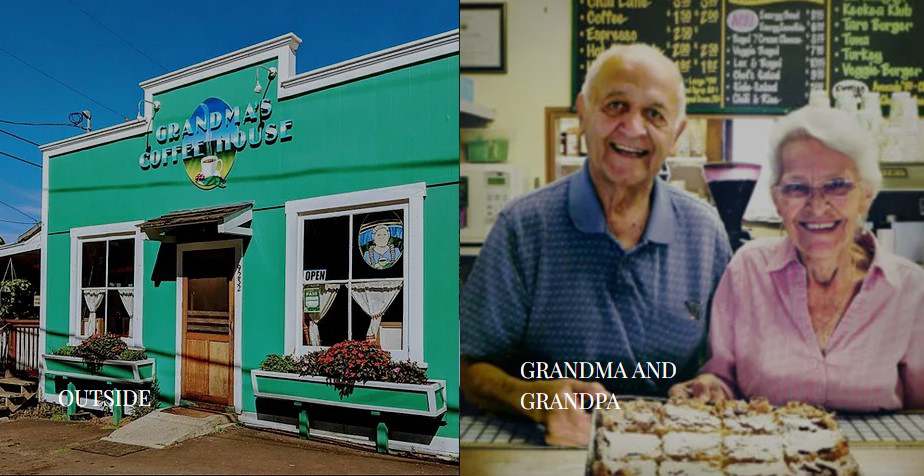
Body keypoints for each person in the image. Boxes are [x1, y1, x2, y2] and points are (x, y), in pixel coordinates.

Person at [460, 44, 732, 445]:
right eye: (616, 105)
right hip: (546, 450)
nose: (633, 128)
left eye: (654, 114)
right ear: (583, 113)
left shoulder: (704, 232)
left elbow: (721, 363)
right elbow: (467, 367)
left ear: (675, 135)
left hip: (670, 452)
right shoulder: (523, 228)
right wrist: (535, 396)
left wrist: (711, 381)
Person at [670, 106, 924, 412]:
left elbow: (919, 413)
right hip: (770, 457)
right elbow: (723, 376)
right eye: (796, 187)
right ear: (777, 200)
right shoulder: (747, 271)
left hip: (878, 457)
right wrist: (709, 384)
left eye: (837, 186)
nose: (817, 206)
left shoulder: (911, 289)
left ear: (866, 195)